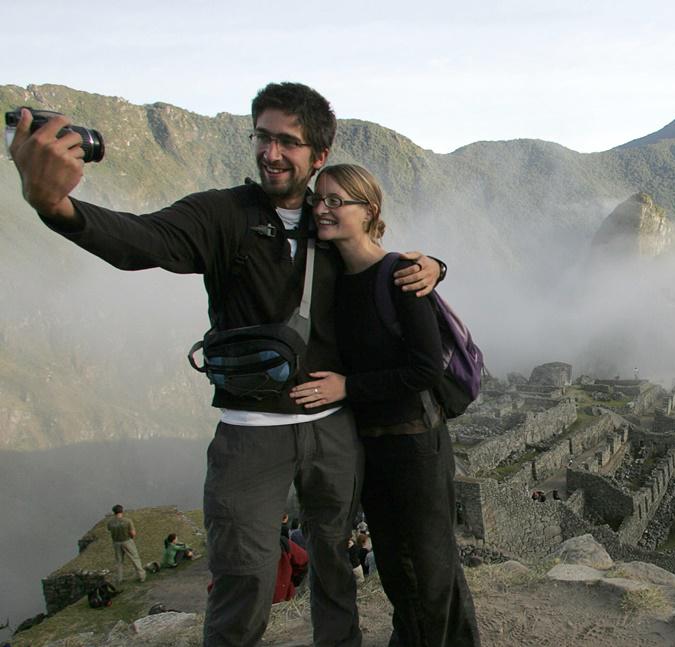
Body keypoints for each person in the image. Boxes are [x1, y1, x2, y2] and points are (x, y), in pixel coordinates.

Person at [7, 82, 445, 647]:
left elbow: (379, 262)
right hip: (250, 434)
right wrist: (57, 206)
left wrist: (434, 266)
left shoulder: (330, 222)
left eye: (288, 142)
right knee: (244, 575)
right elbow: (142, 241)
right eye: (262, 137)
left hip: (334, 431)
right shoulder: (222, 214)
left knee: (334, 563)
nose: (271, 153)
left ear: (319, 154)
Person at [290, 164, 480, 647]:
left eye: (336, 201)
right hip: (371, 447)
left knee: (424, 569)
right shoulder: (332, 276)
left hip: (414, 444)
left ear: (368, 211)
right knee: (407, 567)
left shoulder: (399, 275)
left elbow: (425, 369)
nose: (322, 209)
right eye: (318, 200)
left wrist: (347, 388)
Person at [106, 504, 146, 584]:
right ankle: (141, 576)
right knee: (135, 558)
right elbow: (133, 533)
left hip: (116, 543)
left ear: (114, 512)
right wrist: (131, 537)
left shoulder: (110, 522)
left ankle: (119, 579)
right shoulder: (127, 521)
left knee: (119, 561)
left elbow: (109, 530)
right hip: (127, 541)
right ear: (122, 511)